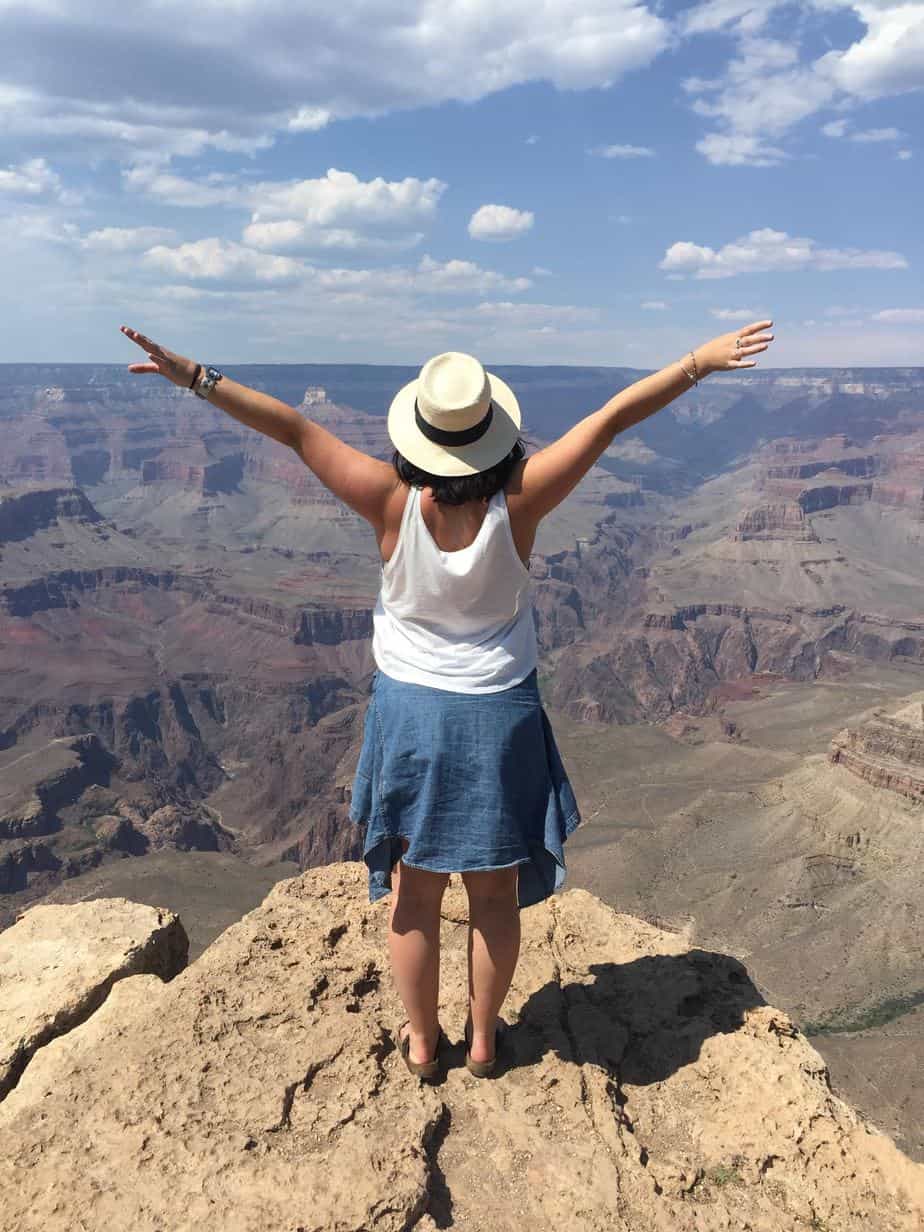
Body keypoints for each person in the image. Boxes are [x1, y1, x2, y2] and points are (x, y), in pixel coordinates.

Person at [119, 318, 775, 1080]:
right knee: (494, 897)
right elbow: (610, 419)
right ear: (495, 435)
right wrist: (697, 361)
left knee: (415, 894)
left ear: (418, 436)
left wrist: (196, 377)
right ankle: (488, 1043)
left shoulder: (388, 502)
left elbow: (295, 430)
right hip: (500, 718)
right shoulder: (522, 503)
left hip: (411, 720)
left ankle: (424, 1045)